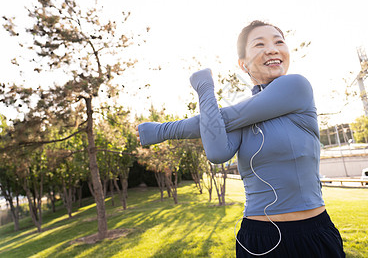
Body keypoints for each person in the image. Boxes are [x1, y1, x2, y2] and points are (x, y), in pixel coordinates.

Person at [137, 20, 345, 257]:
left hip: (313, 234)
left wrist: (162, 130)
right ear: (243, 64)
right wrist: (206, 91)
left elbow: (220, 118)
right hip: (258, 239)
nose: (272, 49)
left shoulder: (296, 86)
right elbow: (217, 153)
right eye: (259, 44)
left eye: (279, 42)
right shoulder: (244, 116)